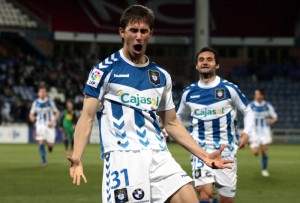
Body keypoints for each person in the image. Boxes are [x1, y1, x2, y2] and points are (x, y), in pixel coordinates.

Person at [68, 5, 233, 203]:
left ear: (150, 34)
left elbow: (171, 123)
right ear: (122, 32)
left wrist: (205, 156)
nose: (139, 36)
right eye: (133, 30)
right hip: (123, 155)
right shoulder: (104, 70)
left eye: (144, 31)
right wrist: (77, 156)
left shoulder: (161, 76)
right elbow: (87, 117)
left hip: (158, 152)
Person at [176, 47, 254, 203]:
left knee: (226, 200)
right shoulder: (189, 93)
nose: (205, 62)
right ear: (197, 65)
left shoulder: (229, 89)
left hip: (226, 150)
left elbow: (248, 111)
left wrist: (246, 132)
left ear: (217, 65)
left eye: (209, 59)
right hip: (200, 150)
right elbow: (177, 117)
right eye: (201, 60)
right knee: (205, 194)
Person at [248, 88, 278, 177]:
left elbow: (275, 117)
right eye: (255, 94)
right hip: (254, 132)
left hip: (265, 131)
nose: (255, 95)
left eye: (257, 94)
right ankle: (254, 146)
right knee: (256, 153)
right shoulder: (251, 105)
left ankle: (264, 169)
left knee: (264, 151)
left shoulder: (267, 106)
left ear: (262, 95)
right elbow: (247, 117)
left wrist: (272, 120)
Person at [29, 85, 60, 167]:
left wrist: (53, 121)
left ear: (45, 93)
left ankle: (50, 147)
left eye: (44, 92)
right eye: (41, 92)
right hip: (40, 124)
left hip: (50, 125)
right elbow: (31, 113)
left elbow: (57, 112)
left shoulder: (50, 102)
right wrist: (32, 117)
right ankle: (44, 161)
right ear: (38, 93)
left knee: (50, 145)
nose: (42, 93)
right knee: (41, 141)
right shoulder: (35, 103)